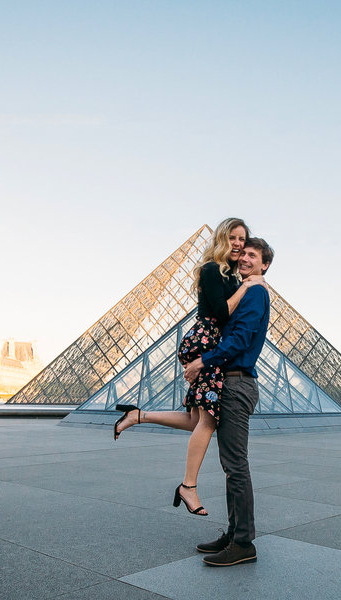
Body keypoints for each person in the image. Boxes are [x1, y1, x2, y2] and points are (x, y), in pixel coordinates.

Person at [113, 218, 265, 517]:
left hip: (211, 345)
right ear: (222, 239)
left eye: (242, 240)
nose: (238, 245)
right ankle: (188, 486)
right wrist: (248, 285)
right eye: (233, 238)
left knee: (197, 419)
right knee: (208, 421)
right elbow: (221, 312)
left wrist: (245, 283)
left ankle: (138, 415)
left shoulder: (232, 276)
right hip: (205, 343)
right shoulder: (212, 270)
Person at [184, 237, 273, 567]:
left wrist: (202, 361)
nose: (244, 257)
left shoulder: (256, 293)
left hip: (236, 383)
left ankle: (243, 542)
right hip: (230, 382)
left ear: (264, 265)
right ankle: (234, 532)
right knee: (230, 466)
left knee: (236, 465)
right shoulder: (246, 289)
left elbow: (238, 340)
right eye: (243, 253)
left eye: (253, 255)